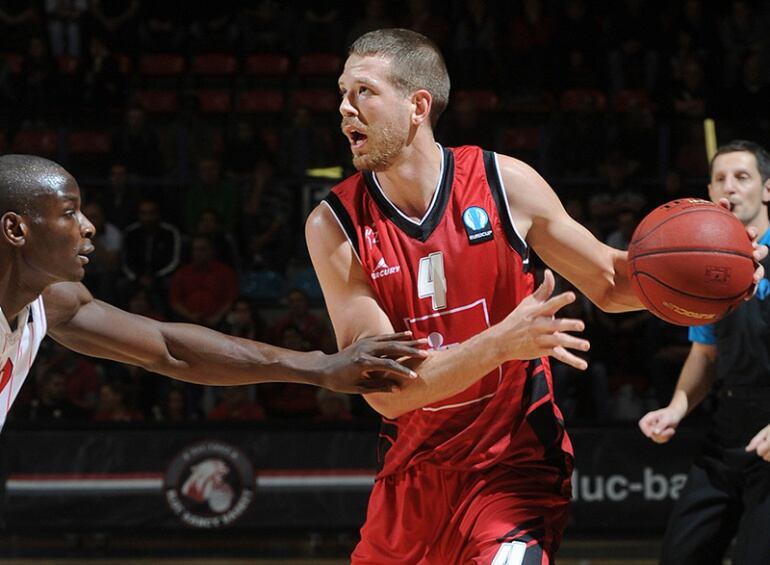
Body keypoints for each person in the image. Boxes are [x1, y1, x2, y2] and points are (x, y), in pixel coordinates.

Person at [304, 29, 766, 564]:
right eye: (342, 91)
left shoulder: (504, 183)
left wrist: (713, 273)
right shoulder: (333, 225)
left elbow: (613, 281)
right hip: (412, 482)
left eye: (363, 91)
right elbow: (385, 391)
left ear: (417, 106)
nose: (344, 108)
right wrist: (500, 343)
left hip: (514, 470)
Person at [0, 153, 430, 434]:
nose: (89, 226)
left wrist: (319, 367)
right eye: (69, 212)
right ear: (16, 229)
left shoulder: (52, 301)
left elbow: (169, 348)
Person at [638, 139, 770, 565]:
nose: (728, 187)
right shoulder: (708, 265)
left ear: (767, 189)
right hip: (727, 431)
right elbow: (705, 354)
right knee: (680, 556)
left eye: (742, 177)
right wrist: (676, 408)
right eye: (719, 179)